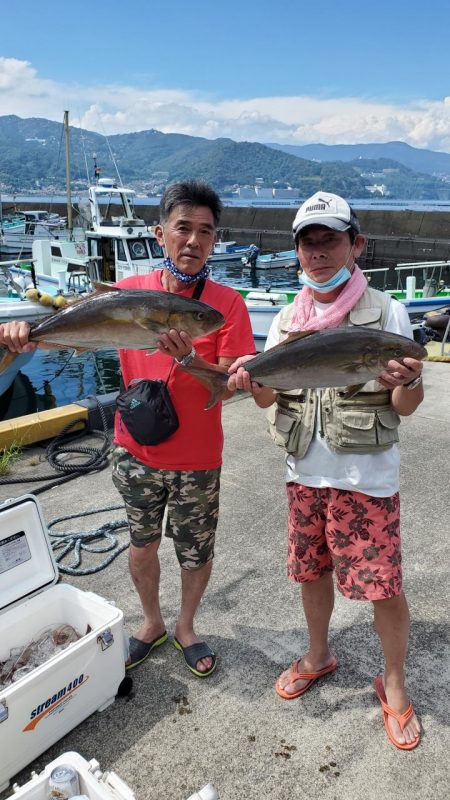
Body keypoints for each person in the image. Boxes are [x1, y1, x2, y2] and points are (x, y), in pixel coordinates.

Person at [0, 180, 255, 679]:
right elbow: (78, 335)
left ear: (214, 239)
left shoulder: (225, 305)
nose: (193, 240)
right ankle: (151, 623)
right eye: (183, 228)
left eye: (205, 231)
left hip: (198, 457)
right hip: (135, 451)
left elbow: (229, 385)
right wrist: (24, 336)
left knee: (195, 551)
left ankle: (186, 627)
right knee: (141, 543)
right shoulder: (127, 292)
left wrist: (189, 359)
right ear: (161, 233)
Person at [227, 191, 424, 750]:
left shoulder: (387, 314)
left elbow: (406, 407)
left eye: (329, 240)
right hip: (305, 474)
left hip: (367, 479)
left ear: (355, 245)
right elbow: (269, 398)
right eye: (307, 243)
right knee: (311, 574)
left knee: (383, 586)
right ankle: (319, 655)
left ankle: (394, 682)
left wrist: (409, 381)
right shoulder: (286, 318)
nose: (317, 252)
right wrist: (248, 382)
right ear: (296, 252)